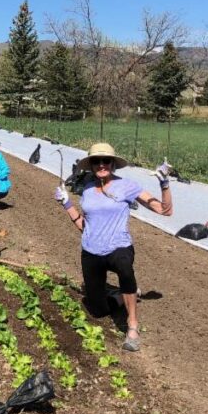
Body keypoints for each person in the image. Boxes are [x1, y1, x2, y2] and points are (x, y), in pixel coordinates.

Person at [55, 142, 173, 351]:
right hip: (91, 250)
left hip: (118, 246)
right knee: (98, 310)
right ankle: (124, 294)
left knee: (125, 268)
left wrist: (164, 184)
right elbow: (85, 225)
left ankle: (133, 325)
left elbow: (165, 210)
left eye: (106, 161)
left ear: (113, 164)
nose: (101, 165)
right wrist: (67, 204)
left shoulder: (127, 186)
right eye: (96, 161)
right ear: (90, 165)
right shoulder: (88, 188)